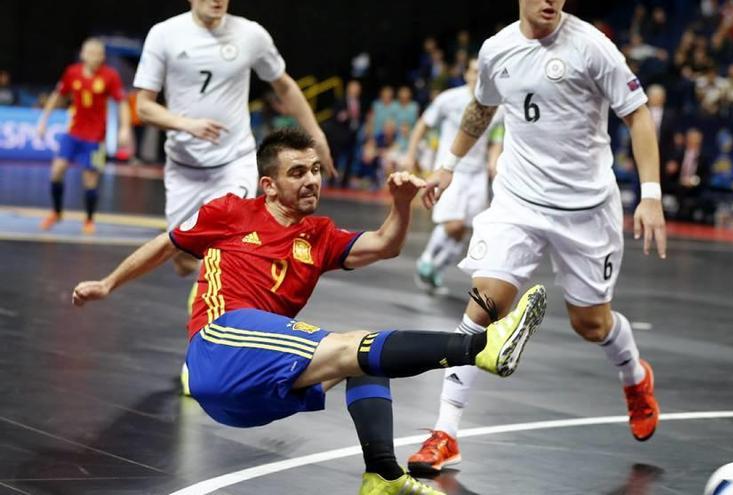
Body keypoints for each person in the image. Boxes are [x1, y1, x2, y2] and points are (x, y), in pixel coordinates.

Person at [71, 128, 547, 495]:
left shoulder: (318, 235)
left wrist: (400, 205)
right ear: (269, 185)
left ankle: (381, 474)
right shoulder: (232, 212)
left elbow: (383, 245)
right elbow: (166, 243)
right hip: (219, 345)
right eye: (297, 172)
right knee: (353, 346)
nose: (312, 180)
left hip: (256, 396)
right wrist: (107, 284)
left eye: (315, 169)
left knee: (365, 361)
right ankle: (479, 346)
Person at [410, 0, 666, 473]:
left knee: (591, 325)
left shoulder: (593, 48)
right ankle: (445, 432)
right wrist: (447, 167)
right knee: (484, 304)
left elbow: (639, 115)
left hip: (586, 211)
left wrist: (650, 194)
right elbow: (481, 108)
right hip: (518, 202)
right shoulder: (496, 50)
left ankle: (634, 375)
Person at [133, 0, 335, 276]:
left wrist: (317, 135)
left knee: (227, 243)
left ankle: (214, 307)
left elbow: (284, 85)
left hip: (234, 161)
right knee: (182, 260)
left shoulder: (250, 34)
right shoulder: (164, 34)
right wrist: (186, 124)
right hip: (185, 167)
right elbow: (143, 106)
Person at [402, 58, 503, 293]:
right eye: (474, 71)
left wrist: (493, 163)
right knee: (453, 223)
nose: (477, 76)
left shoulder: (498, 106)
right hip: (449, 171)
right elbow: (422, 125)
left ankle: (436, 269)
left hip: (477, 175)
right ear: (466, 74)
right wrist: (410, 154)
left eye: (482, 72)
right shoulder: (448, 99)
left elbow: (496, 140)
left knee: (465, 229)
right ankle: (426, 259)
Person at [36, 38, 131, 234]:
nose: (96, 57)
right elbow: (58, 96)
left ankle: (88, 219)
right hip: (73, 133)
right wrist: (43, 120)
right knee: (56, 171)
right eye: (92, 53)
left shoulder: (110, 76)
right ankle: (56, 212)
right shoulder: (73, 73)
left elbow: (121, 102)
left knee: (90, 180)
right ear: (83, 55)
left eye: (100, 54)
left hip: (95, 138)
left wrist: (125, 129)